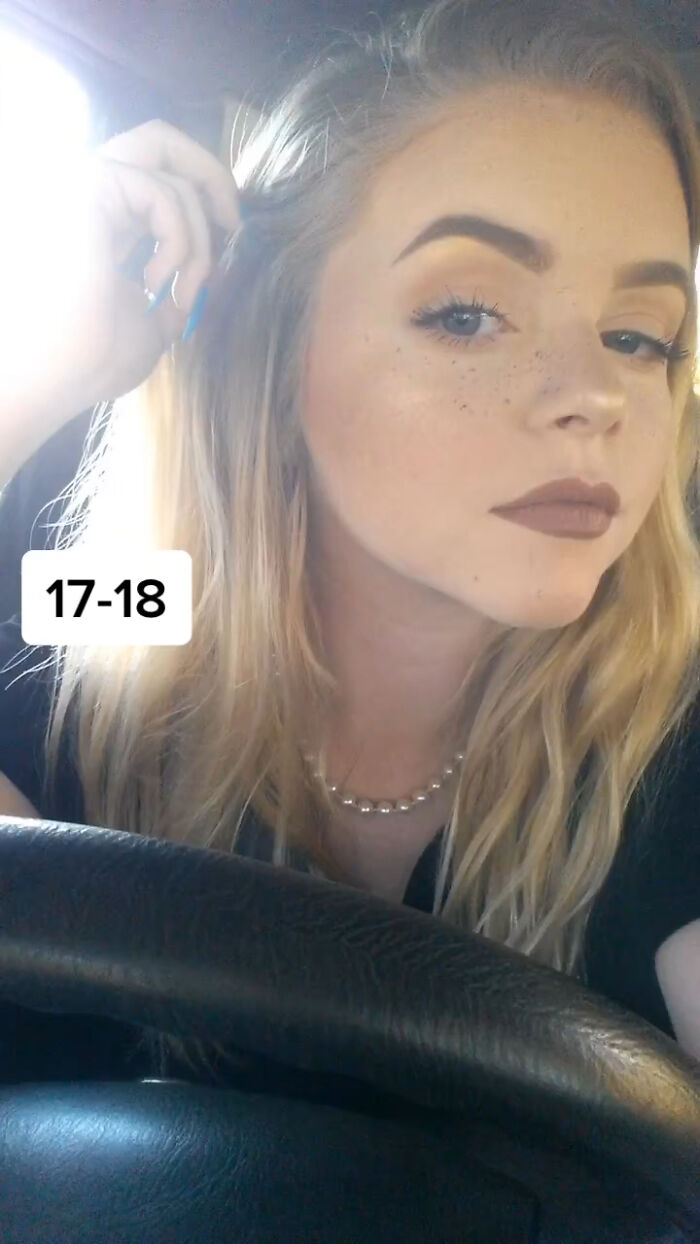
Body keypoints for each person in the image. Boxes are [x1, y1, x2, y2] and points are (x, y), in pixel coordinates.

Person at [1, 0, 699, 1088]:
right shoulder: (125, 613)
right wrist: (29, 374)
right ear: (271, 353)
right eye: (466, 313)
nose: (598, 394)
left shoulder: (673, 730)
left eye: (638, 335)